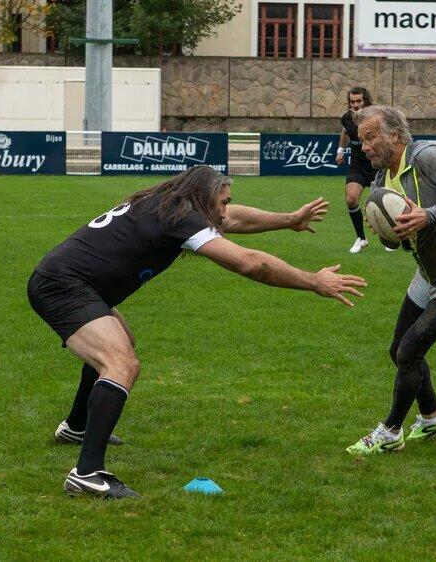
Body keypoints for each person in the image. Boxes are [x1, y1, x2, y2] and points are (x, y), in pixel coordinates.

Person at [29, 165, 366, 498]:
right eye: (221, 201)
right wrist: (314, 281)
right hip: (64, 286)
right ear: (203, 198)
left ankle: (77, 426)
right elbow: (250, 263)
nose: (223, 210)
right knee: (121, 363)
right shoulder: (180, 217)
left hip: (72, 280)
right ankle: (87, 473)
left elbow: (231, 217)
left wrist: (288, 220)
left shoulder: (168, 202)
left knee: (121, 343)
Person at [345, 106, 436, 455]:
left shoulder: (426, 156)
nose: (364, 147)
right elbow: (394, 242)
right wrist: (383, 229)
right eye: (360, 140)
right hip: (428, 273)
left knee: (410, 350)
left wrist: (430, 214)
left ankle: (390, 431)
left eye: (370, 137)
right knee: (398, 351)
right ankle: (432, 416)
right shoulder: (380, 183)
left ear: (394, 135)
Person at [335, 86, 387, 254]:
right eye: (352, 102)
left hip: (377, 165)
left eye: (359, 101)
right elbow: (344, 133)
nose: (355, 105)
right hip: (357, 165)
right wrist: (340, 151)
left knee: (383, 204)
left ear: (366, 101)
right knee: (351, 199)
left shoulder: (376, 118)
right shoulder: (347, 118)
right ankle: (361, 238)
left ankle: (388, 237)